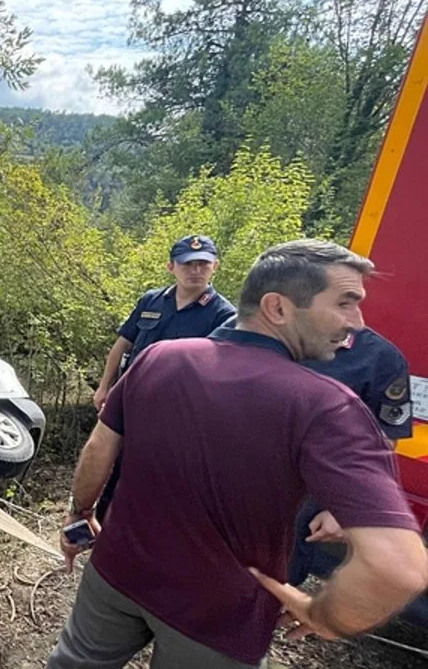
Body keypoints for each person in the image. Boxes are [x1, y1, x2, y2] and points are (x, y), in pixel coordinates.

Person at [48, 239, 428, 669]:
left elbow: (100, 446)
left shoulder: (160, 357)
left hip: (116, 574)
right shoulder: (329, 406)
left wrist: (80, 513)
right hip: (217, 616)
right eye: (345, 302)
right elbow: (398, 567)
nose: (356, 321)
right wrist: (331, 617)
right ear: (278, 308)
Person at [92, 235, 235, 524]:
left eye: (202, 264)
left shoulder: (225, 315)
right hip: (130, 400)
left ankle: (141, 534)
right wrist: (104, 387)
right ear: (171, 267)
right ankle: (101, 531)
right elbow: (122, 345)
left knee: (156, 475)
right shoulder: (151, 300)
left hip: (177, 413)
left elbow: (220, 375)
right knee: (113, 466)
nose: (195, 270)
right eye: (188, 264)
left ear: (215, 267)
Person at [287, 325, 414, 586]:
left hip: (305, 501)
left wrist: (341, 509)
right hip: (237, 491)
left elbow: (380, 448)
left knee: (276, 586)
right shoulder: (258, 333)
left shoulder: (379, 357)